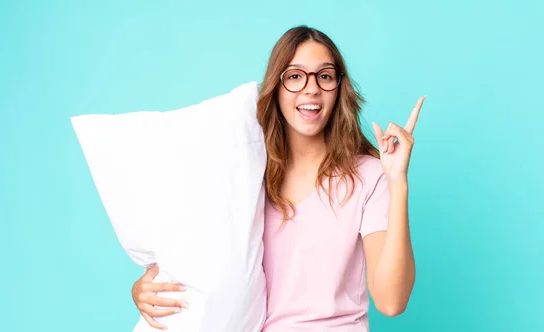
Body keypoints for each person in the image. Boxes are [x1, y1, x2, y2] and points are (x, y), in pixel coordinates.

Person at [131, 25, 424, 331]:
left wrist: (397, 181)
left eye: (324, 76)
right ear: (277, 88)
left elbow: (391, 302)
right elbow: (194, 257)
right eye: (295, 76)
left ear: (339, 88)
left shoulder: (368, 175)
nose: (311, 88)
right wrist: (142, 290)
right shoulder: (247, 174)